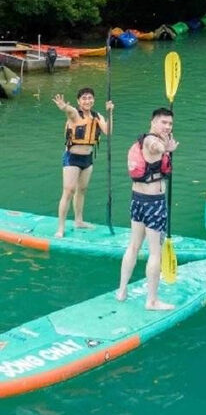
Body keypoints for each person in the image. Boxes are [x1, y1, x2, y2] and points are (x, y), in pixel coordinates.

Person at [116, 107, 179, 311]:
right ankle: (151, 301)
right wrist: (166, 149)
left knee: (133, 246)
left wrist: (167, 146)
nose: (167, 127)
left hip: (137, 200)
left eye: (170, 124)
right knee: (154, 252)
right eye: (164, 123)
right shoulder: (152, 141)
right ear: (153, 122)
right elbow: (155, 148)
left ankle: (122, 291)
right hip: (153, 203)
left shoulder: (144, 140)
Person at [53, 87, 114, 238]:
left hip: (88, 158)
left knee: (82, 190)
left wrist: (110, 113)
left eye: (90, 98)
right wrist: (64, 107)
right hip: (72, 158)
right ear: (79, 101)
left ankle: (78, 221)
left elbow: (108, 131)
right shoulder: (75, 114)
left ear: (93, 100)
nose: (87, 101)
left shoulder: (97, 116)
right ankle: (60, 228)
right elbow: (69, 111)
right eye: (84, 98)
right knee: (68, 191)